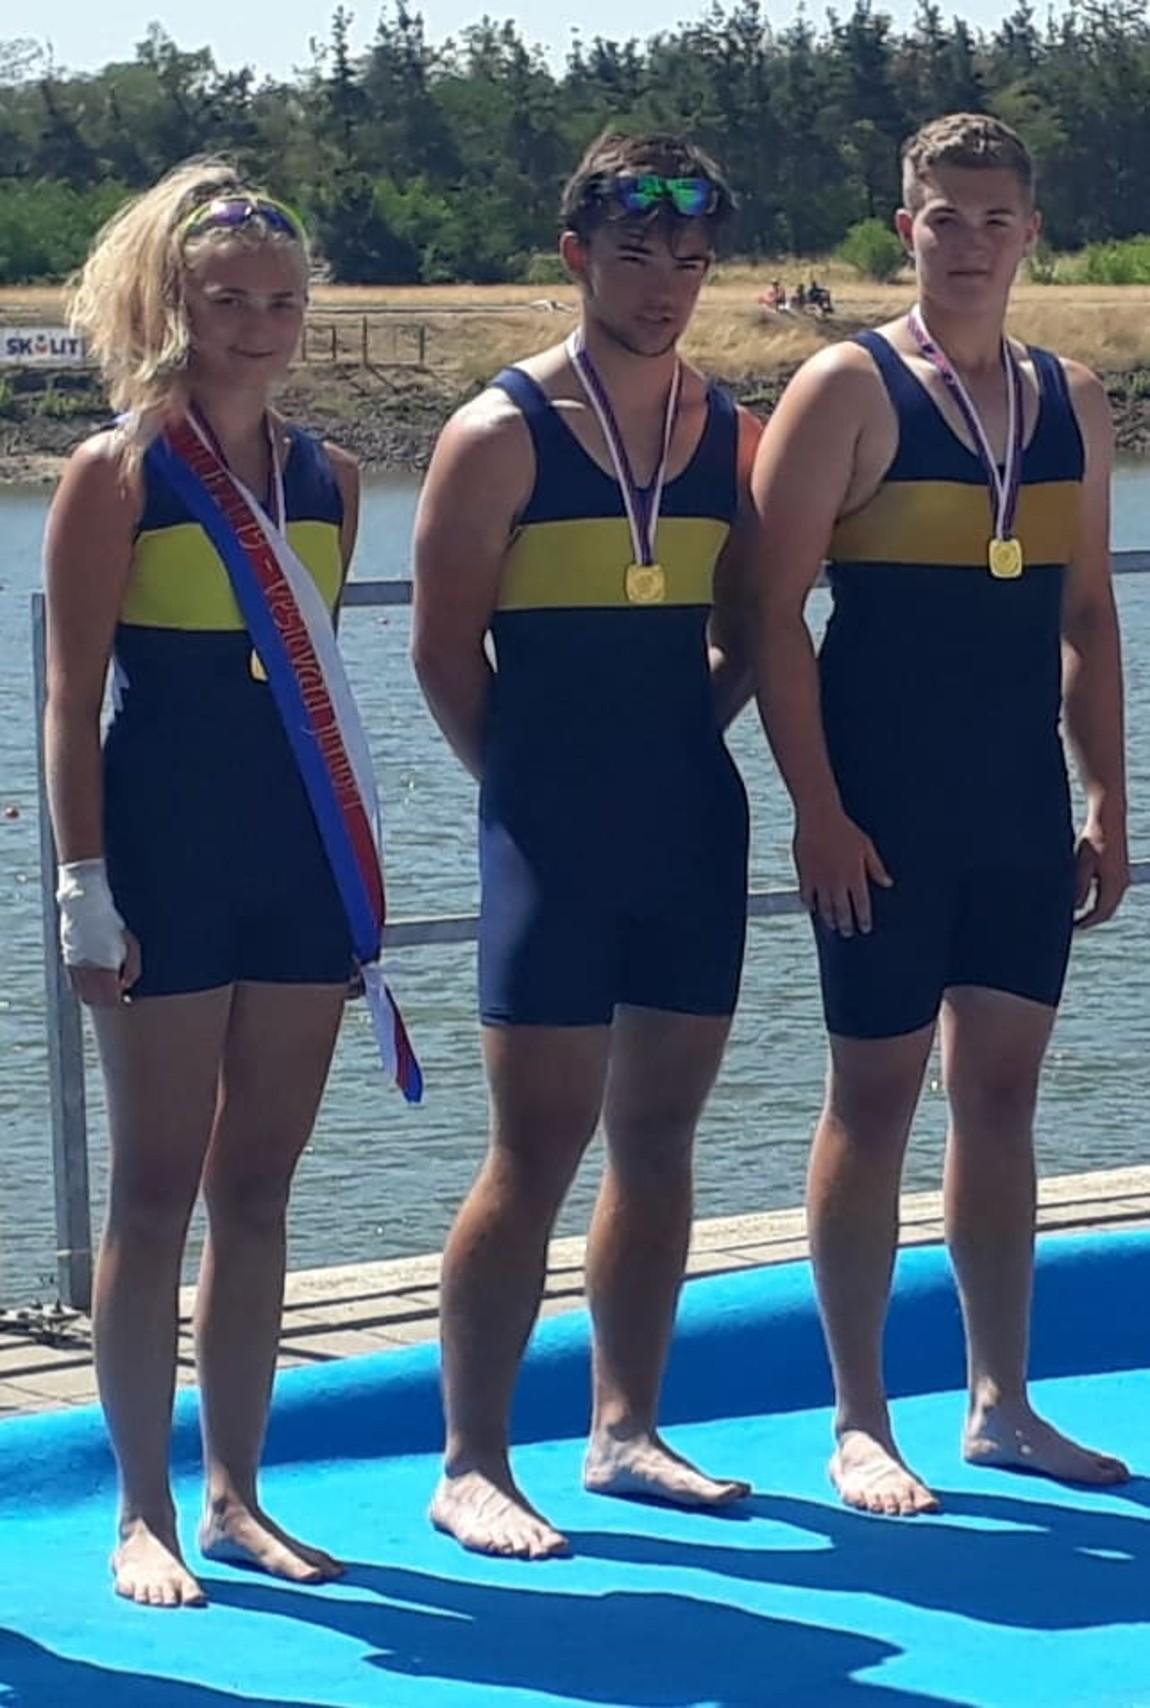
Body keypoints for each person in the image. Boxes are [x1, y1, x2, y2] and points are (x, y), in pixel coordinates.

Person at [43, 158, 412, 1606]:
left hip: (296, 865)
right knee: (154, 1190)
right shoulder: (117, 473)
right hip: (163, 859)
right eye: (228, 302)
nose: (258, 326)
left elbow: (315, 690)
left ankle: (240, 1492)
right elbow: (71, 700)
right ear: (174, 309)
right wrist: (82, 885)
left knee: (257, 1187)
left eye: (281, 302)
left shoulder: (334, 479)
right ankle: (142, 1507)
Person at [751, 112, 1130, 1517]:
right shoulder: (843, 388)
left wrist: (1109, 793)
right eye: (943, 218)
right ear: (904, 227)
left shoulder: (1069, 398)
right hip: (881, 814)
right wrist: (816, 809)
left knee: (1003, 1097)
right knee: (872, 1098)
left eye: (994, 220)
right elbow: (770, 617)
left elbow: (1086, 614)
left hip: (1016, 808)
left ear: (1031, 234)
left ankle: (1000, 1403)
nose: (968, 244)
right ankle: (859, 1418)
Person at [412, 130, 762, 1558]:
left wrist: (682, 740)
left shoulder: (731, 431)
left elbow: (751, 629)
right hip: (548, 838)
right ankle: (471, 1461)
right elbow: (442, 656)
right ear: (576, 258)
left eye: (688, 262)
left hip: (690, 824)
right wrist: (528, 791)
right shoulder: (497, 434)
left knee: (660, 1139)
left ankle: (626, 1431)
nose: (663, 285)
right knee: (535, 1150)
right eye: (635, 256)